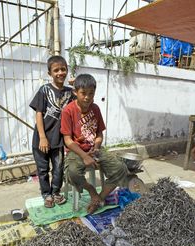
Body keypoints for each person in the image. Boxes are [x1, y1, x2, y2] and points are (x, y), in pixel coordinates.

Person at [60, 73, 128, 214]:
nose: (87, 97)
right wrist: (85, 156)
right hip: (76, 151)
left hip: (94, 149)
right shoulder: (68, 111)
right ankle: (91, 190)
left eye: (91, 93)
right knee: (71, 173)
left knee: (120, 168)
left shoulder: (95, 108)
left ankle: (99, 198)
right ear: (75, 92)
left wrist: (96, 148)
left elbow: (99, 134)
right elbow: (68, 141)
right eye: (83, 93)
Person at [30, 55, 75, 208]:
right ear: (49, 73)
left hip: (58, 140)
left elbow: (85, 101)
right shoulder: (44, 90)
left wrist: (76, 86)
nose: (60, 73)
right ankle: (46, 194)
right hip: (41, 140)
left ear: (67, 70)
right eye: (56, 70)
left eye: (63, 69)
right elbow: (38, 113)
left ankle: (55, 192)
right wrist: (42, 137)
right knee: (43, 170)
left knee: (58, 168)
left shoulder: (70, 93)